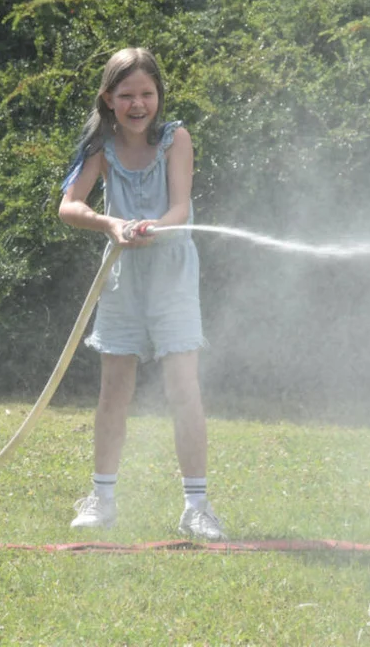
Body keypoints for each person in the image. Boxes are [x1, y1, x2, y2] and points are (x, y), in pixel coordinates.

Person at [57, 47, 224, 540]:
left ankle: (197, 506)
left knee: (183, 389)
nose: (137, 104)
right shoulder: (99, 147)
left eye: (146, 93)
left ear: (159, 96)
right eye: (126, 94)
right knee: (114, 392)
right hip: (122, 276)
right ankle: (102, 499)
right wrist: (111, 224)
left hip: (172, 273)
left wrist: (153, 228)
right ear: (108, 99)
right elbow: (69, 206)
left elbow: (179, 209)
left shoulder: (176, 139)